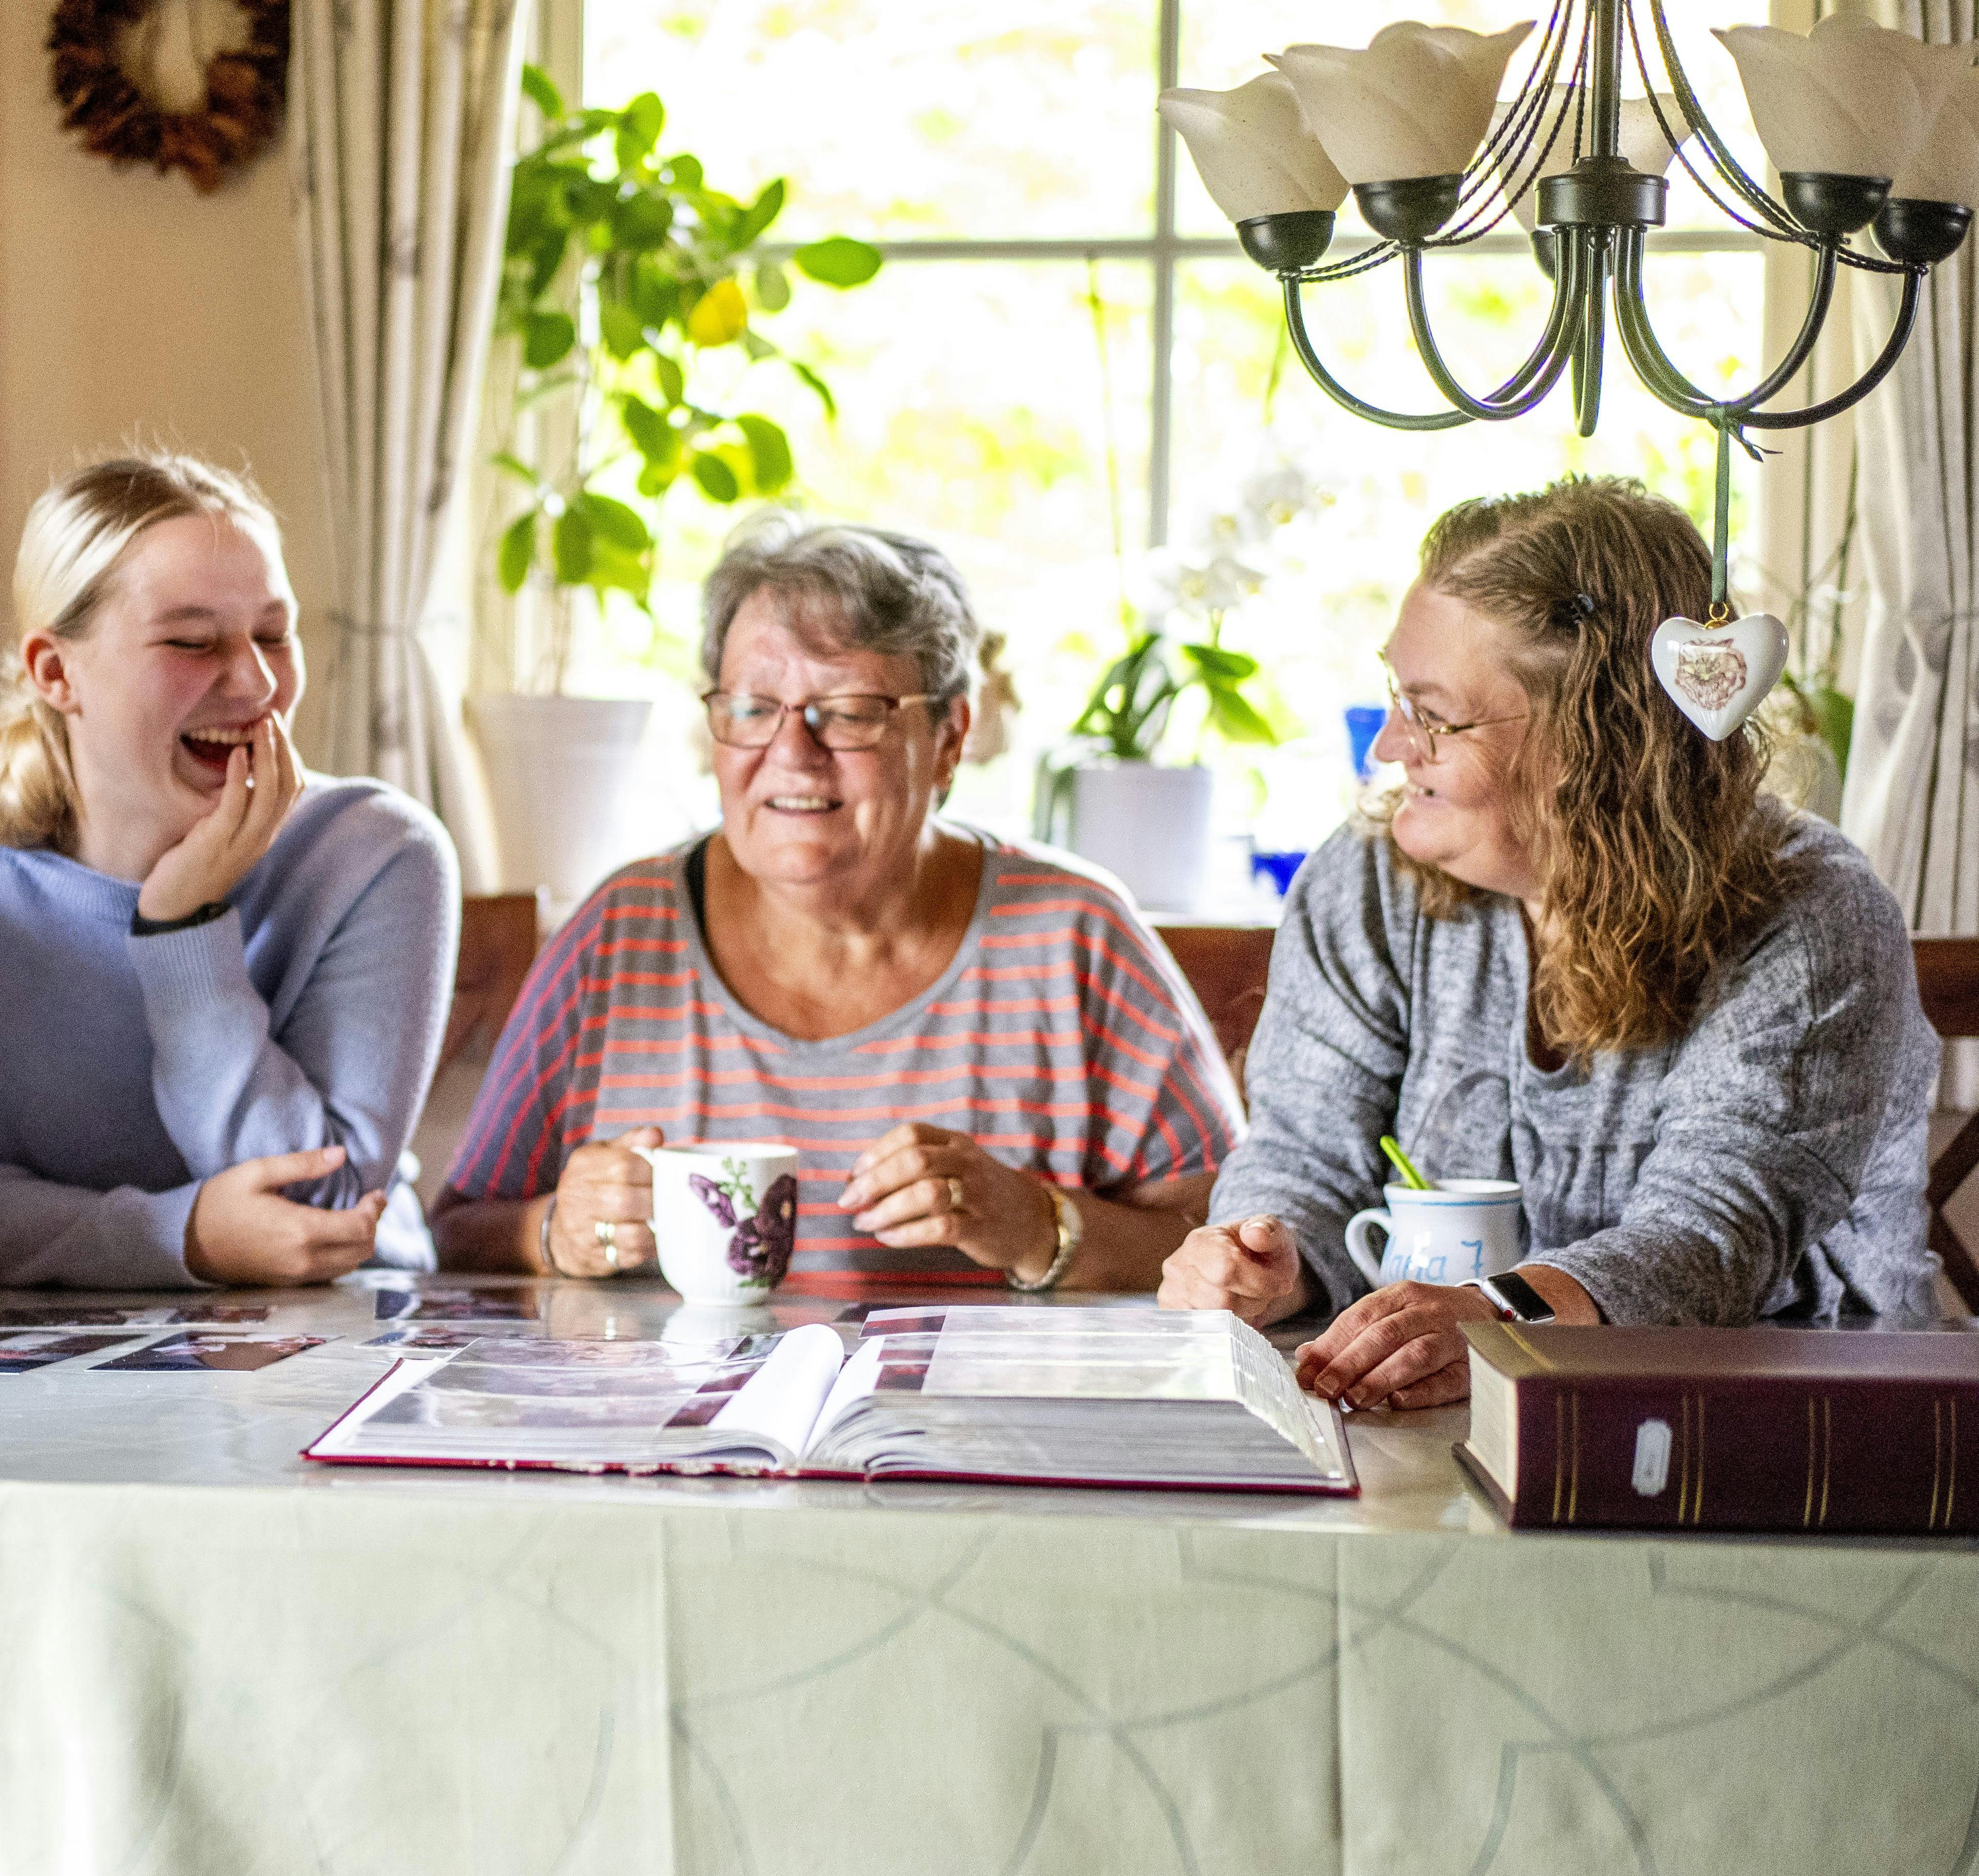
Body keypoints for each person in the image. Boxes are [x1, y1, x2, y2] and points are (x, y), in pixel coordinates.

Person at [1160, 475, 1939, 1408]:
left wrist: (1491, 1318)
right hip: (1450, 1424)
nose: (1391, 748)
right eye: (1394, 698)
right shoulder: (1365, 882)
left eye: (1434, 714)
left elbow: (1708, 1241)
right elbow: (1308, 1156)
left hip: (1788, 1428)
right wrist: (1264, 1256)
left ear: (1594, 737)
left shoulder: (1812, 914)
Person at [432, 514, 1240, 1293]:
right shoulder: (622, 932)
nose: (792, 754)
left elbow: (1234, 1250)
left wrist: (1038, 1224)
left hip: (987, 1431)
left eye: (850, 713)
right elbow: (459, 1232)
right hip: (678, 1430)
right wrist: (556, 1232)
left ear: (951, 739)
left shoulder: (1075, 937)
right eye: (752, 709)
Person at [0, 452, 458, 1287]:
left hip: (343, 1344)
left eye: (275, 637)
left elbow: (320, 1215)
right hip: (30, 1370)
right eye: (192, 641)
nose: (257, 683)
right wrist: (183, 1239)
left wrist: (184, 927)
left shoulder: (378, 853)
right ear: (55, 672)